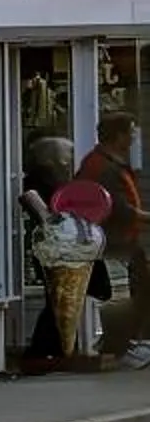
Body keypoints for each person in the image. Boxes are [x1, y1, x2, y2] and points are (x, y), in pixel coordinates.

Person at [74, 114, 150, 356]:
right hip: (114, 240)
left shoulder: (108, 162)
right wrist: (144, 217)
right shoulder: (101, 166)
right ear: (117, 136)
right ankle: (118, 345)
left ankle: (124, 342)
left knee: (131, 292)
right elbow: (117, 206)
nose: (133, 137)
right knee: (122, 294)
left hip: (122, 238)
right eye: (130, 132)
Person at [20, 135, 78, 365]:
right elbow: (50, 211)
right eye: (67, 156)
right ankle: (44, 348)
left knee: (60, 295)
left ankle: (52, 346)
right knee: (59, 296)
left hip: (55, 242)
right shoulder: (44, 182)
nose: (70, 161)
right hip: (52, 243)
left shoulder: (50, 179)